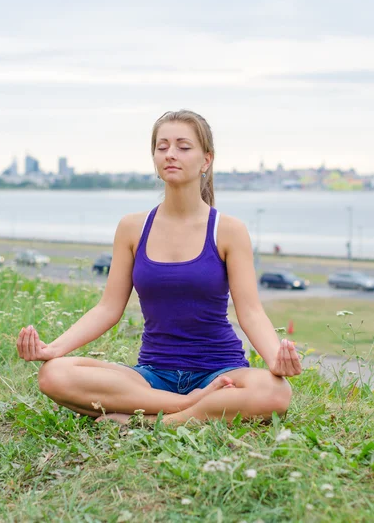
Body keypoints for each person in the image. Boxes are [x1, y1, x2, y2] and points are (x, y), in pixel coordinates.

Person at [17, 110, 302, 426]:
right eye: (162, 146)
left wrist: (276, 358)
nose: (170, 154)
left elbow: (250, 312)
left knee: (276, 393)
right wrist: (52, 349)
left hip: (220, 371)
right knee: (54, 374)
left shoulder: (229, 230)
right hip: (152, 375)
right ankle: (191, 406)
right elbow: (108, 309)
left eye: (183, 146)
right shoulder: (132, 228)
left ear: (206, 160)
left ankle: (153, 422)